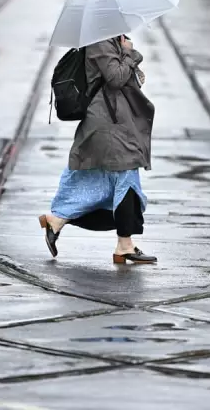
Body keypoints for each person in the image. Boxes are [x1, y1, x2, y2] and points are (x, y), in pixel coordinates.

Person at [39, 35, 157, 264]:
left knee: (112, 177)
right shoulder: (100, 41)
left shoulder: (110, 38)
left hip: (115, 120)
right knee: (126, 173)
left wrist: (124, 51)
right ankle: (124, 244)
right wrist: (129, 53)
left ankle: (58, 220)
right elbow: (115, 78)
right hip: (108, 122)